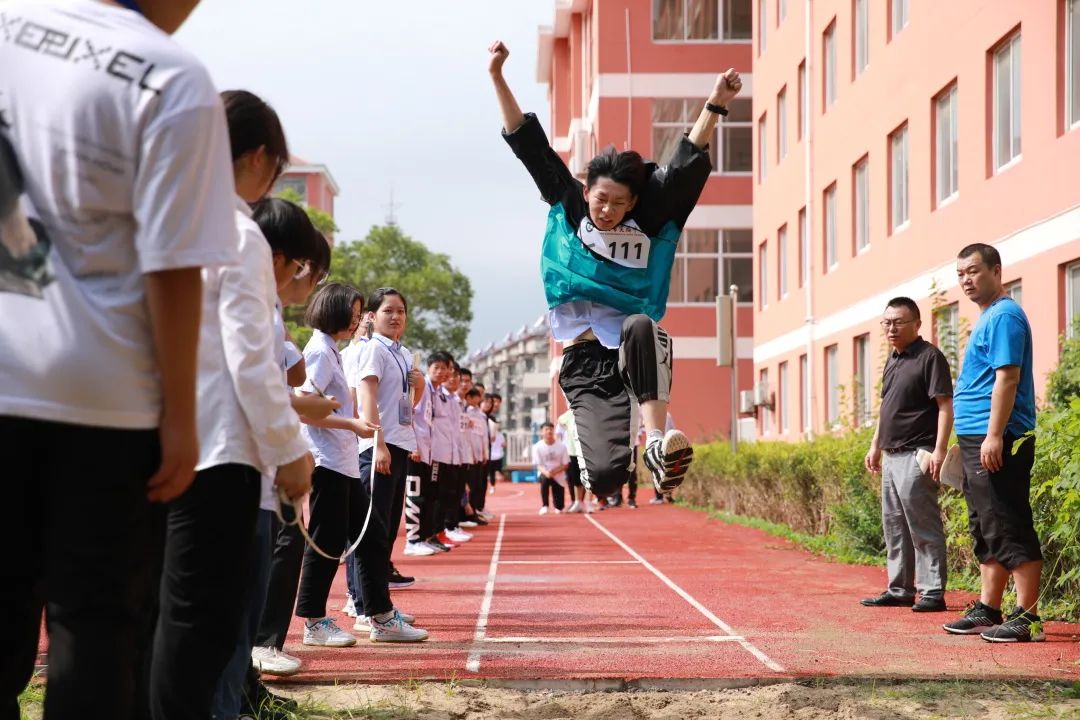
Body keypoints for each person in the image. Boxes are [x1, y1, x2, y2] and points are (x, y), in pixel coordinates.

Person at [0, 1, 238, 716]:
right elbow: (173, 266)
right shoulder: (170, 76)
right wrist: (182, 419)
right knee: (96, 634)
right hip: (104, 397)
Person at [489, 40, 741, 500]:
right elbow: (529, 146)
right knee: (604, 481)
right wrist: (498, 77)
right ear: (587, 192)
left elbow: (686, 158)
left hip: (632, 350)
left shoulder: (651, 219)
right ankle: (595, 439)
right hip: (585, 360)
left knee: (642, 326)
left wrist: (715, 104)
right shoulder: (568, 204)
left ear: (634, 203)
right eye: (600, 200)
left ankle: (656, 441)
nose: (606, 211)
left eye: (618, 204)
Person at [204, 90, 319, 720]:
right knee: (220, 626)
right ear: (256, 159)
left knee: (186, 634)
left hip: (167, 449)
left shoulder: (159, 217)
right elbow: (252, 366)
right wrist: (291, 454)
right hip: (226, 460)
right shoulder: (236, 234)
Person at [943, 243, 1042, 643]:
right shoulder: (988, 318)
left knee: (1008, 520)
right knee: (985, 524)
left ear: (996, 271)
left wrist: (995, 434)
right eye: (961, 274)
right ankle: (989, 607)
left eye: (973, 271)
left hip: (999, 435)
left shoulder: (1004, 316)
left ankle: (1028, 617)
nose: (966, 280)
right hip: (976, 436)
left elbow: (1007, 378)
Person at [293, 283, 376, 648]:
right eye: (353, 313)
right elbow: (306, 407)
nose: (357, 320)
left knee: (370, 535)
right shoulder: (320, 353)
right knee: (325, 542)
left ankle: (379, 612)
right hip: (327, 462)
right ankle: (312, 620)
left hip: (343, 461)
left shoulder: (331, 350)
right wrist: (351, 423)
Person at [860, 297, 953, 614]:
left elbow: (944, 407)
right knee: (894, 526)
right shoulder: (893, 359)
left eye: (898, 321)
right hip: (890, 454)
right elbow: (887, 407)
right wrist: (875, 445)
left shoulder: (930, 358)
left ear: (917, 323)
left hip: (917, 453)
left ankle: (932, 592)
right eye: (886, 322)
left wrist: (939, 450)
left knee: (922, 525)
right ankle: (900, 589)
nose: (891, 328)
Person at [346, 287, 428, 642]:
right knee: (369, 532)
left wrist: (420, 384)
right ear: (372, 316)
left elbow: (406, 403)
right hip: (377, 448)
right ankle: (364, 606)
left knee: (385, 531)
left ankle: (377, 604)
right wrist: (377, 443)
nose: (396, 317)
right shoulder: (372, 350)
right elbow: (367, 398)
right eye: (388, 311)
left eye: (401, 311)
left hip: (398, 445)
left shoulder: (402, 353)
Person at [405, 352, 454, 556]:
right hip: (416, 450)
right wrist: (413, 445)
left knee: (427, 495)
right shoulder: (422, 386)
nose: (441, 372)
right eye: (437, 367)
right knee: (415, 495)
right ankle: (412, 540)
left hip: (428, 451)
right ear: (429, 367)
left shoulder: (435, 392)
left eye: (445, 368)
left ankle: (423, 537)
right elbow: (409, 415)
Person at [533, 422, 570, 515]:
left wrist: (555, 472)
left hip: (558, 473)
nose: (549, 431)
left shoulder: (562, 446)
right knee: (544, 480)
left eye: (551, 429)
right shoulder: (537, 447)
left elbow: (566, 464)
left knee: (559, 508)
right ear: (542, 432)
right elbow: (538, 465)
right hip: (545, 473)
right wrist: (546, 472)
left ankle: (558, 506)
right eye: (546, 429)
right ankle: (545, 506)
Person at [557, 409, 587, 513]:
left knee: (586, 476)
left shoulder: (588, 412)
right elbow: (560, 420)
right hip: (573, 451)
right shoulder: (570, 414)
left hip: (586, 450)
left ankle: (584, 502)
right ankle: (577, 501)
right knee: (575, 478)